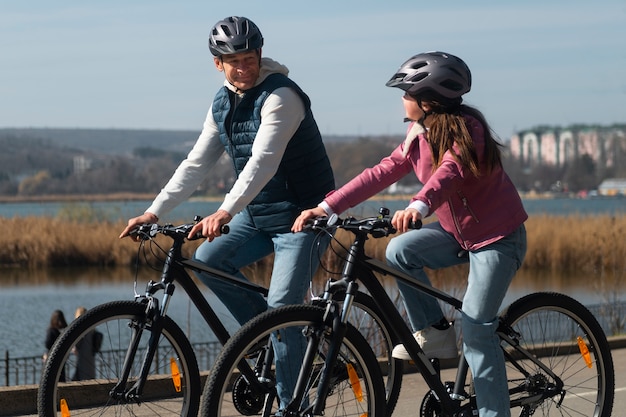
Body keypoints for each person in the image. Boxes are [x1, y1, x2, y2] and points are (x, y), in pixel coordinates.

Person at [293, 51, 528, 417]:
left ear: (428, 100)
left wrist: (419, 205)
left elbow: (450, 172)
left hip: (497, 239)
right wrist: (328, 207)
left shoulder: (470, 130)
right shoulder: (418, 132)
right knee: (400, 252)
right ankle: (434, 331)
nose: (401, 100)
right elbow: (382, 171)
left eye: (406, 93)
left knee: (478, 329)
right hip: (457, 235)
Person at [119, 16, 335, 409]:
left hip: (303, 218)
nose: (243, 67)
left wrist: (224, 211)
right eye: (234, 61)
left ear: (259, 55)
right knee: (208, 260)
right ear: (217, 63)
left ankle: (293, 404)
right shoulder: (222, 102)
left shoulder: (282, 96)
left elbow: (263, 161)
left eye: (250, 58)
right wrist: (154, 211)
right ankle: (273, 341)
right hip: (257, 215)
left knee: (283, 309)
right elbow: (196, 163)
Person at [71, 306, 96, 381]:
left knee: (80, 379)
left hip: (82, 358)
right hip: (90, 359)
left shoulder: (80, 331)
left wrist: (74, 348)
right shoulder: (92, 330)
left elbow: (76, 346)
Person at [44, 309, 68, 382]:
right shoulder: (65, 330)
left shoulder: (51, 331)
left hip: (52, 358)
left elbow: (47, 344)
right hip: (61, 358)